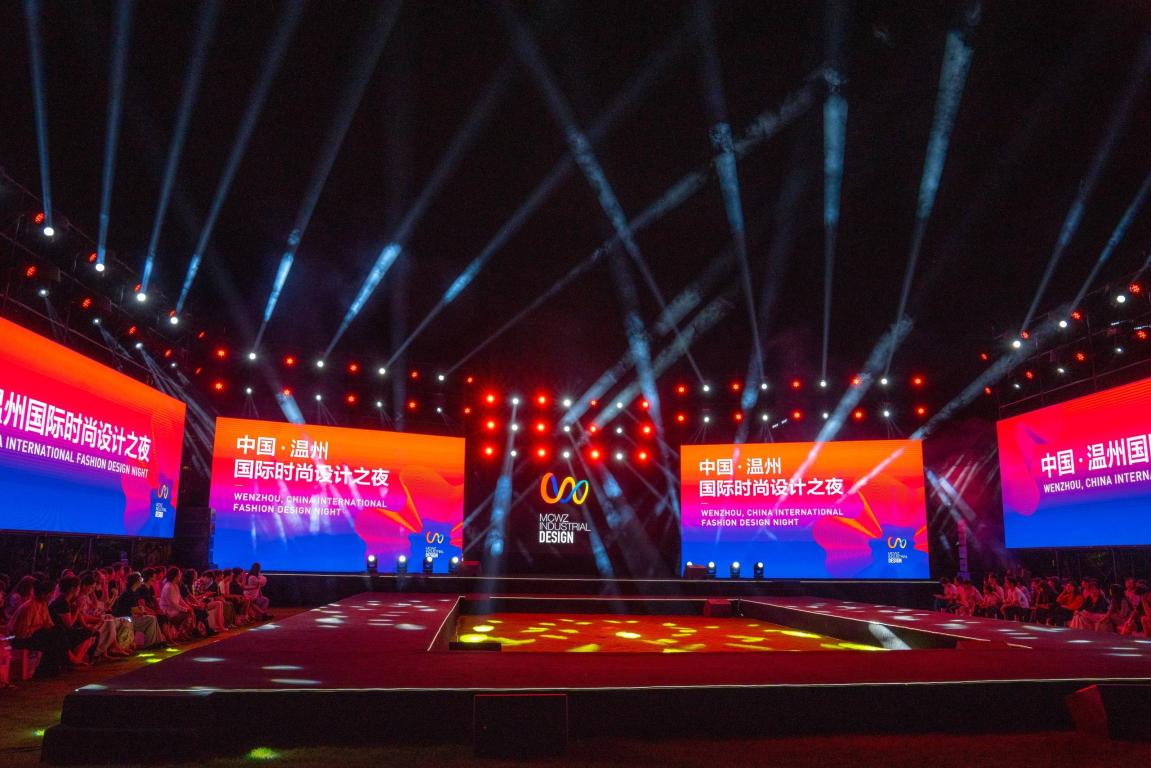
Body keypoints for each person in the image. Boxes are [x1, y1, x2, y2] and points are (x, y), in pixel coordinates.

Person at [6, 580, 70, 679]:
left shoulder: (43, 604)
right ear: (44, 594)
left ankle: (52, 668)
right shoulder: (29, 607)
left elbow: (48, 622)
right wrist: (41, 627)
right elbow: (22, 632)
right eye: (50, 594)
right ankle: (46, 669)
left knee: (58, 633)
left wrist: (49, 627)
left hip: (34, 635)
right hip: (21, 639)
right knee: (51, 639)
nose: (51, 596)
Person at [48, 576, 97, 666]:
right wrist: (77, 610)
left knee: (90, 633)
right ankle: (74, 661)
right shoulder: (62, 602)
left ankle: (76, 659)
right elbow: (69, 624)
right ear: (72, 588)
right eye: (78, 587)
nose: (79, 589)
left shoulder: (66, 600)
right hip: (59, 634)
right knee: (88, 632)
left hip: (62, 631)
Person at [111, 573, 163, 648]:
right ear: (136, 582)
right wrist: (142, 611)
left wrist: (140, 610)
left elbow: (133, 608)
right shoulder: (129, 593)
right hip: (126, 619)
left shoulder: (131, 592)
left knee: (152, 618)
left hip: (129, 617)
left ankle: (158, 641)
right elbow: (133, 609)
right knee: (151, 619)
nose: (142, 581)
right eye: (140, 580)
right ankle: (150, 643)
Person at [159, 568, 195, 638]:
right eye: (179, 574)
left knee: (191, 612)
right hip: (168, 611)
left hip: (174, 609)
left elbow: (180, 599)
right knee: (188, 614)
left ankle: (185, 633)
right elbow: (172, 604)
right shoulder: (168, 587)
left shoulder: (175, 585)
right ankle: (181, 634)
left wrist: (188, 607)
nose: (180, 576)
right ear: (175, 576)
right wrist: (186, 609)